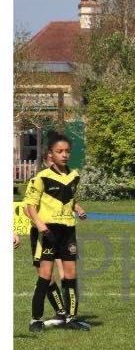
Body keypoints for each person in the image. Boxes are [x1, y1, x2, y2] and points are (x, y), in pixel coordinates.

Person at [23, 134, 89, 332]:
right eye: (59, 151)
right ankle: (36, 320)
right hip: (47, 231)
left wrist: (78, 209)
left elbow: (68, 198)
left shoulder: (74, 176)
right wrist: (40, 225)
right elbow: (30, 206)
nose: (64, 155)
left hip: (68, 230)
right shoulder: (41, 178)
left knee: (71, 274)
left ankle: (71, 318)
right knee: (45, 275)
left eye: (67, 151)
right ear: (50, 154)